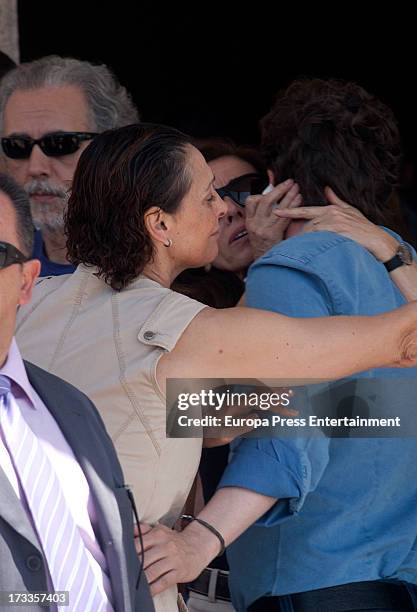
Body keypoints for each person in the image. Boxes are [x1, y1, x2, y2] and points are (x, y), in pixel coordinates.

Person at [15, 122, 417, 612]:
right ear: (159, 224)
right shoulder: (183, 331)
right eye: (208, 197)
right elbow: (405, 342)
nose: (226, 208)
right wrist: (390, 251)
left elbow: (175, 416)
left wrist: (289, 403)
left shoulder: (27, 306)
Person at [165, 79, 417, 612]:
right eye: (212, 197)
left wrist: (198, 541)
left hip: (314, 581)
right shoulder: (400, 269)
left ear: (279, 186)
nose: (230, 210)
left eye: (242, 190)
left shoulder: (291, 269)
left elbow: (285, 426)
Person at [0, 172, 154, 612]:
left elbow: (116, 567)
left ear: (26, 282)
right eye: (208, 198)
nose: (223, 209)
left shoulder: (71, 406)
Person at [0, 55, 139, 276]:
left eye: (60, 144)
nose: (36, 167)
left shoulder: (165, 255)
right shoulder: (7, 259)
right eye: (18, 146)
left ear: (114, 147)